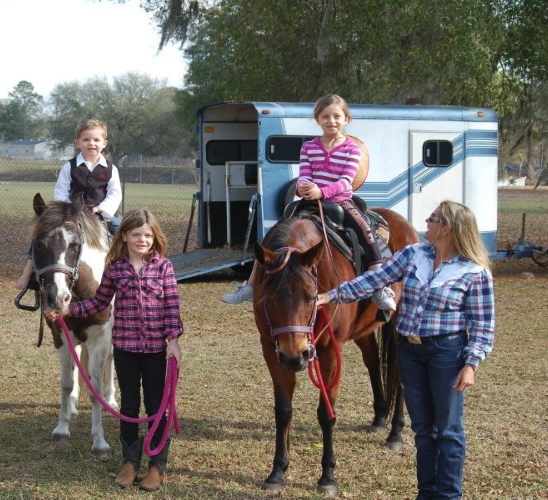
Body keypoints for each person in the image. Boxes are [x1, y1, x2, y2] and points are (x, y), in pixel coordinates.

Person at [316, 200, 495, 499]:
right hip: (409, 352)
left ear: (448, 229)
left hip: (446, 353)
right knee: (423, 431)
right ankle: (426, 494)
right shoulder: (413, 255)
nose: (427, 220)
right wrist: (331, 295)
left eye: (434, 218)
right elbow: (374, 279)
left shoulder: (474, 272)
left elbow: (483, 324)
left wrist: (471, 364)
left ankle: (449, 495)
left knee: (448, 431)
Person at [46, 208, 183, 492]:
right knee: (130, 405)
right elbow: (99, 303)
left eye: (147, 235)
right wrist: (68, 310)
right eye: (135, 235)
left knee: (157, 406)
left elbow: (172, 307)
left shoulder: (164, 267)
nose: (141, 240)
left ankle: (156, 466)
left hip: (157, 351)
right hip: (126, 349)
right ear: (125, 237)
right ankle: (130, 463)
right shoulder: (115, 269)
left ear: (154, 237)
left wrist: (173, 341)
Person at [222, 94, 396, 310]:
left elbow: (345, 181)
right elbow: (304, 174)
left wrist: (321, 192)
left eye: (336, 116)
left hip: (340, 201)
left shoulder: (352, 149)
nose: (331, 121)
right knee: (274, 235)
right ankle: (250, 284)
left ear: (346, 119)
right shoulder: (309, 147)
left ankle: (378, 285)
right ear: (318, 120)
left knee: (364, 230)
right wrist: (302, 187)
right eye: (325, 117)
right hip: (310, 201)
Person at [16, 118, 122, 290]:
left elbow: (115, 193)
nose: (91, 143)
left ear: (104, 143)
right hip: (72, 213)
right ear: (77, 142)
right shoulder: (69, 167)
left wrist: (101, 209)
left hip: (100, 213)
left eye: (96, 140)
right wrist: (70, 209)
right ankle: (27, 274)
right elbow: (61, 191)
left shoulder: (111, 169)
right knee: (41, 234)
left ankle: (128, 273)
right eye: (86, 139)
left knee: (125, 231)